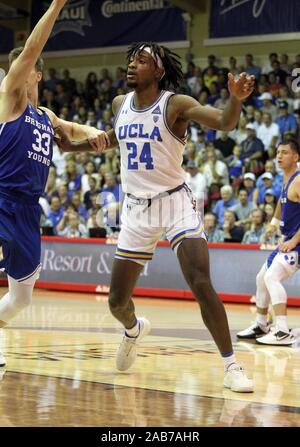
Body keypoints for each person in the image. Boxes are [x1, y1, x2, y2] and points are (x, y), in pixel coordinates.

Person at [56, 42, 255, 392]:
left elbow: (223, 122)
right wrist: (73, 146)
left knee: (200, 282)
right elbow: (118, 137)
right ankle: (134, 330)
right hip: (135, 209)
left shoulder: (174, 104)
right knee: (117, 302)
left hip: (175, 202)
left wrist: (235, 99)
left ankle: (231, 365)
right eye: (132, 59)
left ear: (158, 71)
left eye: (143, 60)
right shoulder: (120, 104)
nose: (133, 65)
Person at [0, 0, 108, 368]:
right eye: (16, 66)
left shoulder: (45, 116)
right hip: (2, 196)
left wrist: (95, 133)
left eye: (24, 68)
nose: (15, 71)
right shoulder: (9, 100)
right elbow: (31, 49)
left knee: (23, 298)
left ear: (37, 76)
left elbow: (74, 131)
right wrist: (58, 4)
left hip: (29, 208)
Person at [237, 138, 300, 345]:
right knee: (261, 277)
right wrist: (273, 223)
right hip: (287, 239)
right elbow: (282, 205)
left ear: (296, 156)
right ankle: (262, 324)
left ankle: (282, 330)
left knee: (272, 277)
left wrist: (294, 241)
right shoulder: (286, 178)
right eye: (277, 152)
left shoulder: (299, 179)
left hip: (296, 242)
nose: (279, 156)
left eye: (284, 152)